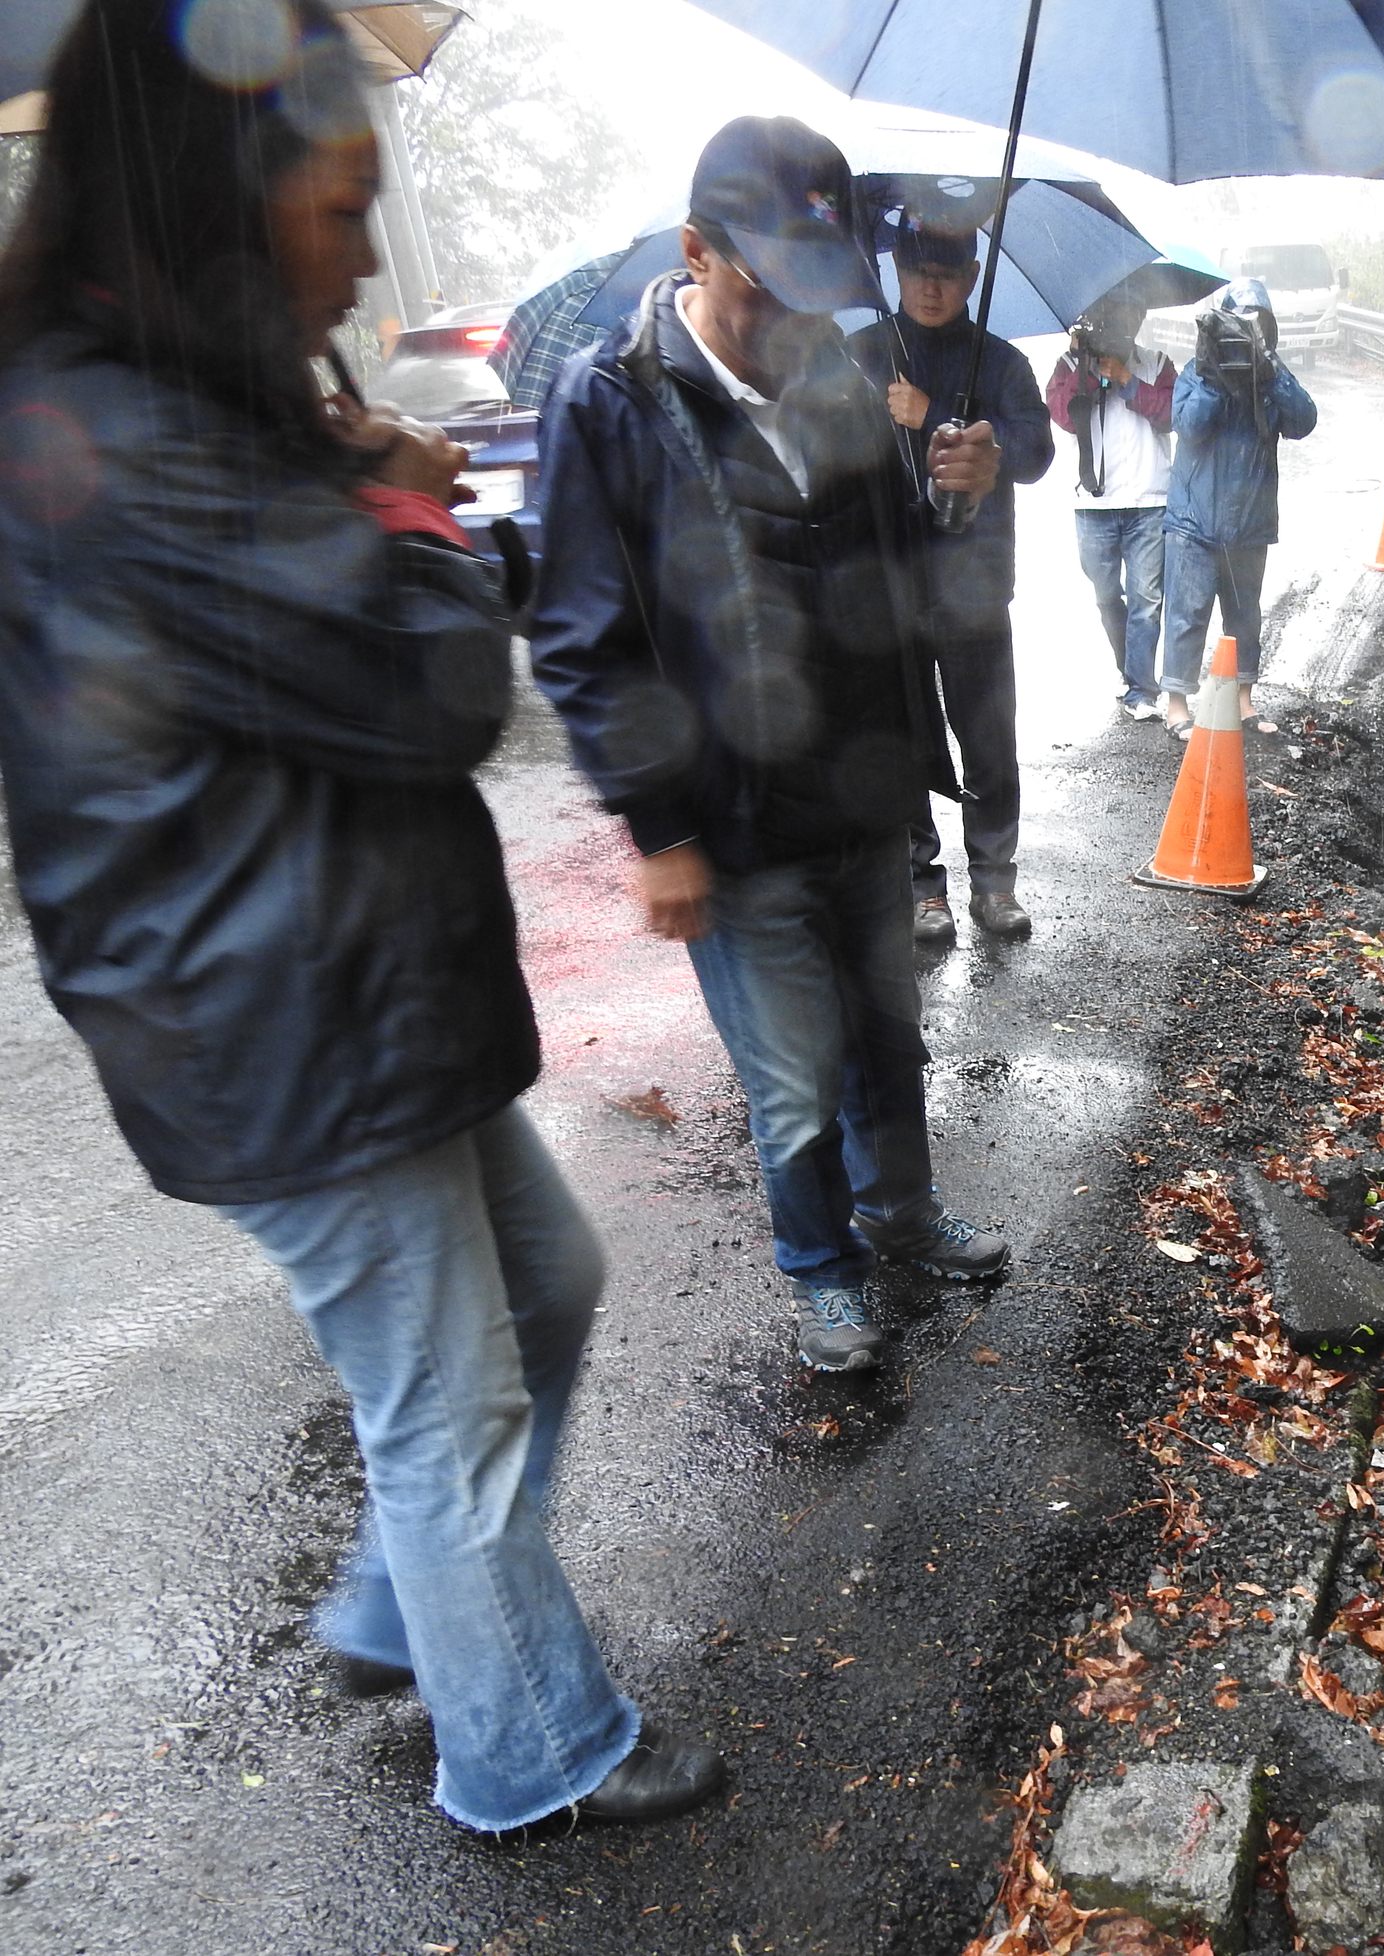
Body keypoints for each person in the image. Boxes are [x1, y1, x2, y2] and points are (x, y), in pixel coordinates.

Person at [0, 0, 720, 1830]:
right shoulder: (106, 428)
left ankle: (413, 1612)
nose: (355, 258)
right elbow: (423, 690)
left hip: (337, 982)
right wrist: (404, 506)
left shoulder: (187, 394)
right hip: (277, 1013)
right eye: (337, 207)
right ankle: (532, 1748)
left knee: (540, 1287)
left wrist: (338, 477)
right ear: (222, 205)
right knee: (444, 1412)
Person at [530, 119, 1013, 1380]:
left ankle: (900, 1214)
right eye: (768, 279)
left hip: (859, 792)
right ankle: (823, 1272)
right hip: (732, 821)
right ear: (698, 252)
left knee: (887, 1042)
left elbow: (895, 572)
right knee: (793, 1077)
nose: (799, 311)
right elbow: (584, 642)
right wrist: (662, 832)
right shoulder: (613, 402)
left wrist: (956, 486)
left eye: (817, 280)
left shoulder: (841, 381)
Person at [850, 218, 1055, 943]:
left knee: (988, 737)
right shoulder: (863, 355)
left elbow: (1035, 454)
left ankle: (995, 883)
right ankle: (921, 885)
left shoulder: (998, 362)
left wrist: (934, 416)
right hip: (889, 588)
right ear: (896, 272)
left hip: (976, 585)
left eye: (947, 272)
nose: (930, 287)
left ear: (972, 276)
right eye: (916, 271)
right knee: (903, 738)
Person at [1157, 278, 1318, 738]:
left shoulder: (1271, 377)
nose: (1245, 335)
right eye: (1238, 325)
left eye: (1256, 325)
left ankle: (1244, 703)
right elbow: (1188, 426)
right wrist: (1214, 377)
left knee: (1245, 616)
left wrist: (1270, 370)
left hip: (1249, 522)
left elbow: (1304, 421)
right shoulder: (1197, 372)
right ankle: (1177, 706)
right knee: (1187, 614)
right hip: (1194, 521)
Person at [1045, 292, 1176, 724]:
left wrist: (1124, 379)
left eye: (1132, 312)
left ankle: (1141, 689)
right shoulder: (1069, 366)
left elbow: (1171, 414)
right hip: (1093, 505)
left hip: (1149, 499)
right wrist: (1082, 366)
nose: (1123, 321)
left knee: (1146, 599)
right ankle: (1130, 668)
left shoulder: (1156, 362)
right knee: (1107, 594)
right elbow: (1064, 416)